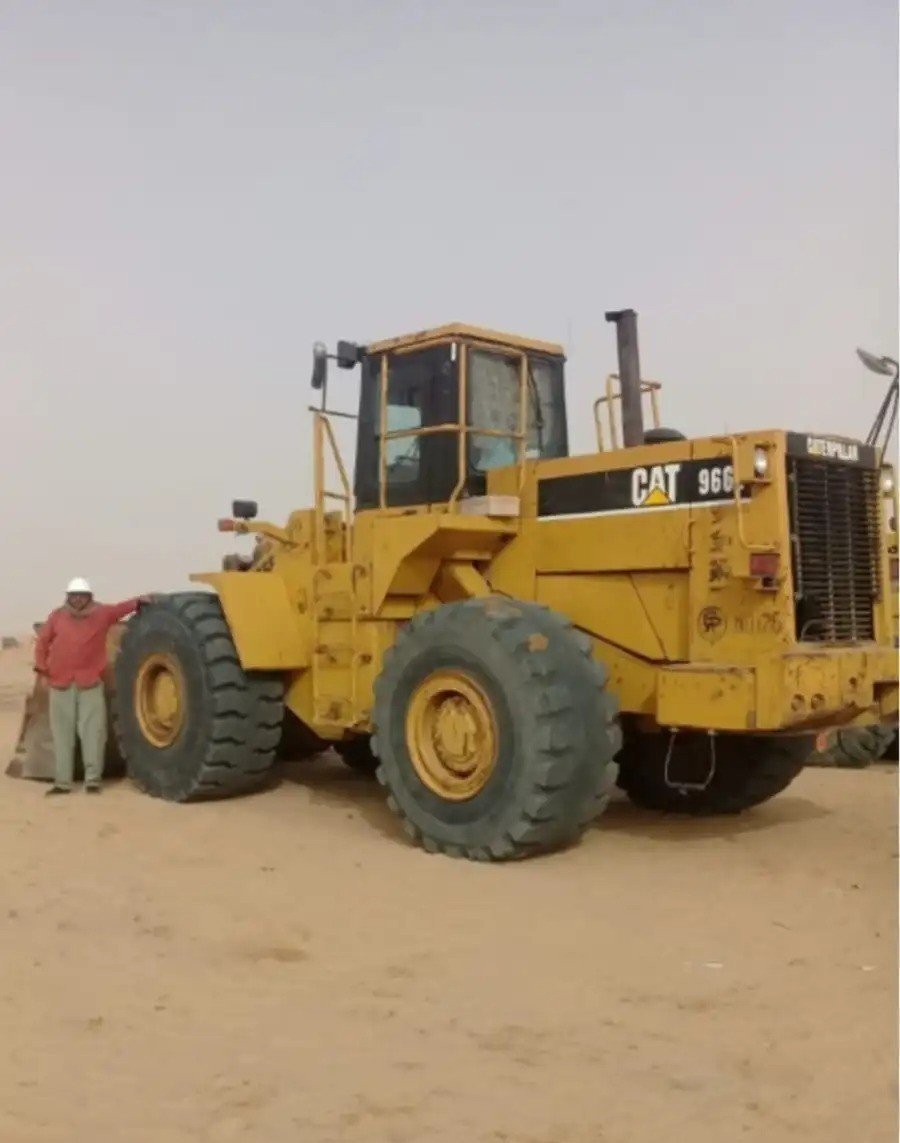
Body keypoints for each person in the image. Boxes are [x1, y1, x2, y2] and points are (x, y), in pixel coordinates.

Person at [34, 578, 151, 796]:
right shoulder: (57, 616)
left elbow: (120, 609)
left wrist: (139, 601)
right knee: (62, 735)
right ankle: (62, 783)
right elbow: (42, 643)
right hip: (60, 683)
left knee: (94, 733)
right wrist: (42, 670)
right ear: (68, 597)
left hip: (90, 683)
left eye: (82, 595)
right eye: (74, 595)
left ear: (89, 597)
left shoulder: (101, 614)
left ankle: (92, 781)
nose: (77, 599)